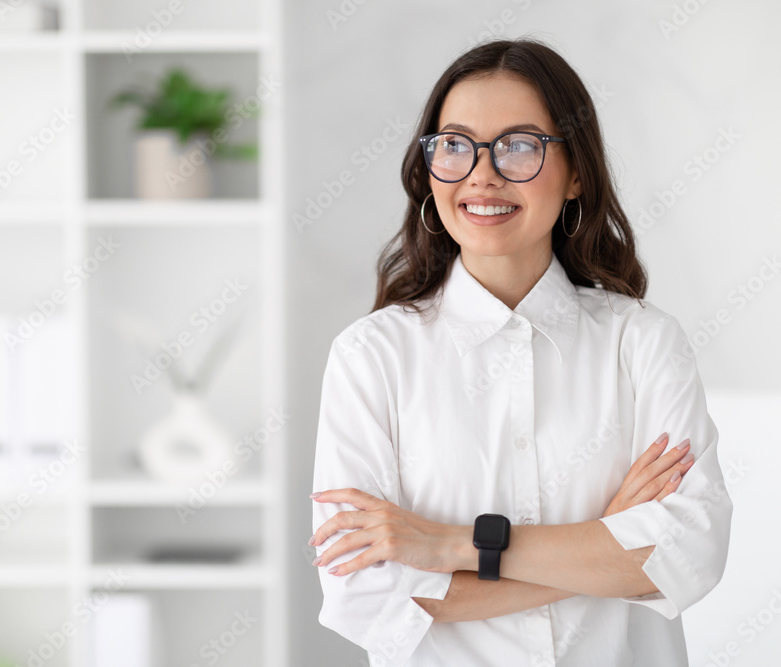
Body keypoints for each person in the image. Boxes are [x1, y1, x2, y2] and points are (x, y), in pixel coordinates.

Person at [308, 38, 733, 667]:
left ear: (577, 173)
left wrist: (450, 545)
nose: (482, 174)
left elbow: (691, 553)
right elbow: (366, 596)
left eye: (519, 146)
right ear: (428, 170)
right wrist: (602, 548)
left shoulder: (643, 342)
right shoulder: (371, 357)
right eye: (454, 145)